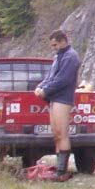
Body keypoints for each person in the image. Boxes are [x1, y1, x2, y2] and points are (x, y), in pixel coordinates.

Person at [35, 29, 81, 179]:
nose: (53, 48)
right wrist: (41, 86)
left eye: (55, 45)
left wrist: (46, 90)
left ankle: (62, 170)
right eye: (52, 45)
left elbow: (63, 80)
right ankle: (58, 168)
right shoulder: (58, 57)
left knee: (62, 133)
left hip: (63, 98)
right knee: (56, 134)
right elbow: (51, 77)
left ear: (63, 41)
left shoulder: (71, 57)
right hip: (54, 98)